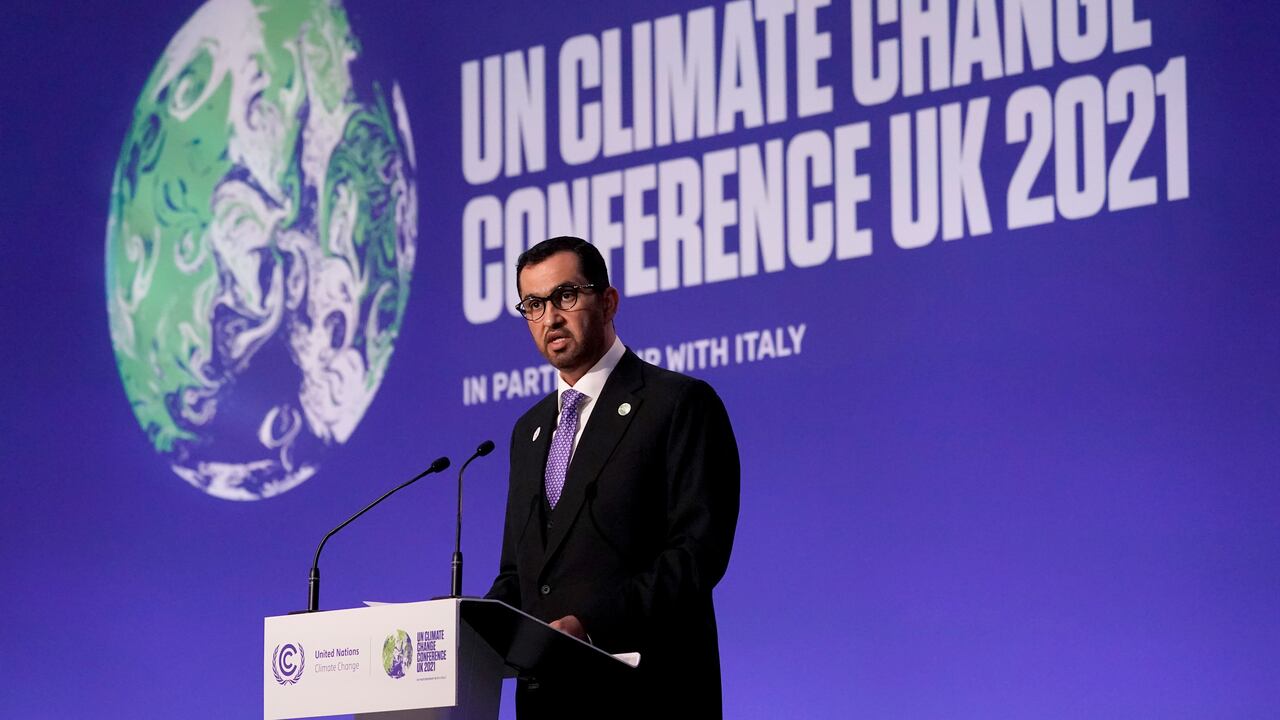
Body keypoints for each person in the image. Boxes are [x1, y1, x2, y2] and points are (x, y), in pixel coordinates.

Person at [486, 236, 740, 718]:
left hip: (646, 693)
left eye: (566, 296)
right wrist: (472, 626)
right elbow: (520, 573)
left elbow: (696, 556)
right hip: (548, 703)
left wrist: (591, 625)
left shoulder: (677, 404)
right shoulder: (530, 431)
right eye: (534, 305)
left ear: (608, 301)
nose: (551, 318)